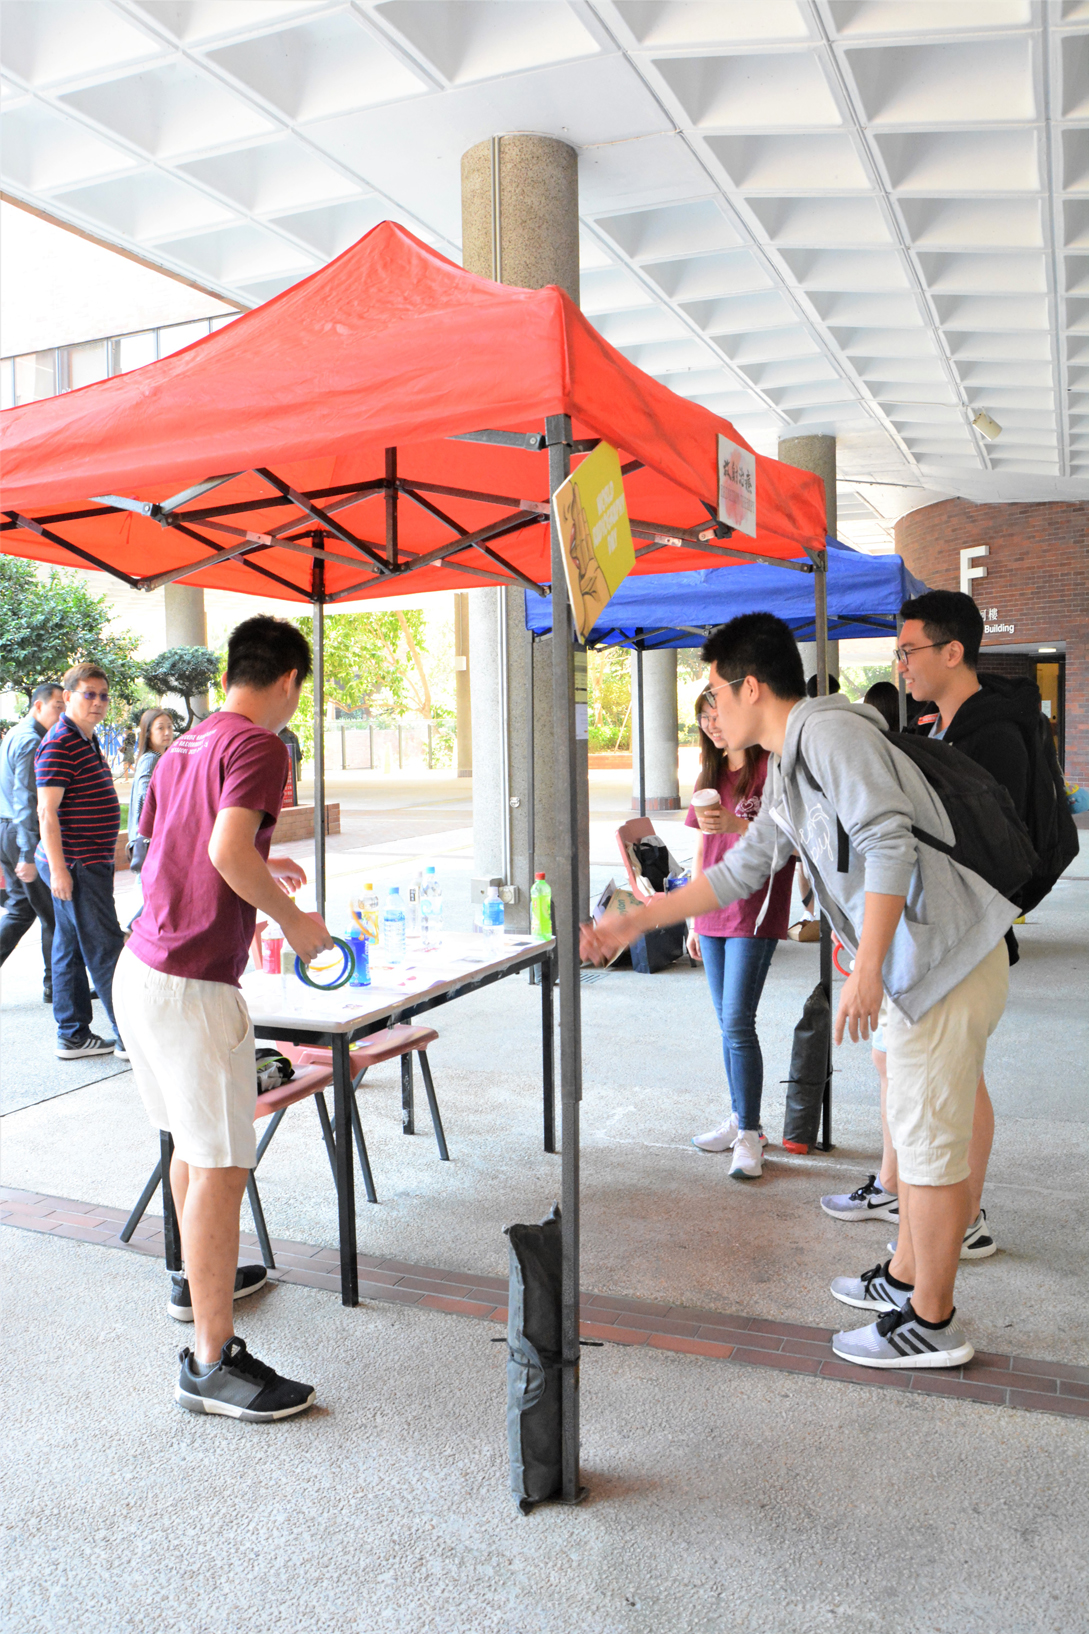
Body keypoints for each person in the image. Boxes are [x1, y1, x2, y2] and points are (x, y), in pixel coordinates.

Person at [582, 612, 1017, 1371]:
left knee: (926, 1142)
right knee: (913, 1131)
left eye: (714, 692)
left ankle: (932, 1321)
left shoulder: (827, 732)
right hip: (922, 964)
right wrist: (641, 919)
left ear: (752, 686)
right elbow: (740, 870)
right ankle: (907, 1279)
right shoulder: (787, 764)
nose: (710, 711)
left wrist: (870, 966)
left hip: (938, 961)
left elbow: (885, 840)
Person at [113, 615, 333, 1422]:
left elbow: (172, 843)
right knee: (221, 1168)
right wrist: (296, 921)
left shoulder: (187, 741)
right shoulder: (260, 745)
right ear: (287, 682)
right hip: (193, 986)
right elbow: (223, 853)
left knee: (192, 1153)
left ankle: (192, 1284)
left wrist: (255, 865)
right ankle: (211, 1362)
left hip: (141, 968)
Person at [821, 592, 1026, 1259]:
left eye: (907, 650)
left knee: (955, 1080)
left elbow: (977, 846)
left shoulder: (987, 733)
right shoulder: (945, 726)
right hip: (932, 936)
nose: (899, 663)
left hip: (959, 937)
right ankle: (895, 1185)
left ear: (951, 651)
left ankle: (962, 1221)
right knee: (902, 1067)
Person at [686, 690, 795, 1179]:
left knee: (737, 1023)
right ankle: (738, 1120)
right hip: (711, 911)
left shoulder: (773, 767)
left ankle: (750, 1134)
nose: (712, 724)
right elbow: (700, 849)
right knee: (725, 1024)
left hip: (754, 910)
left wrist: (737, 823)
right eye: (704, 718)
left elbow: (793, 843)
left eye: (719, 713)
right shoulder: (709, 775)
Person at [35, 665, 127, 1060]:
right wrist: (58, 870)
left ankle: (73, 1034)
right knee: (105, 949)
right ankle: (130, 1038)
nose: (98, 702)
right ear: (68, 696)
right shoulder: (59, 742)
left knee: (69, 946)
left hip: (84, 862)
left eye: (104, 695)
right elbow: (46, 813)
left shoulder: (83, 739)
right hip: (75, 863)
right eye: (89, 694)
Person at [0, 682, 64, 999]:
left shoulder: (15, 733)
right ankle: (58, 985)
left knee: (21, 910)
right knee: (54, 912)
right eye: (57, 706)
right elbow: (26, 798)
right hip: (19, 833)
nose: (61, 714)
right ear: (38, 706)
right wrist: (27, 853)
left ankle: (56, 983)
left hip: (7, 830)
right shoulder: (31, 740)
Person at [127, 709, 175, 872]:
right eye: (160, 728)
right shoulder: (151, 759)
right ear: (148, 733)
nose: (167, 732)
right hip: (150, 839)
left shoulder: (158, 757)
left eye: (170, 727)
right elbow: (146, 796)